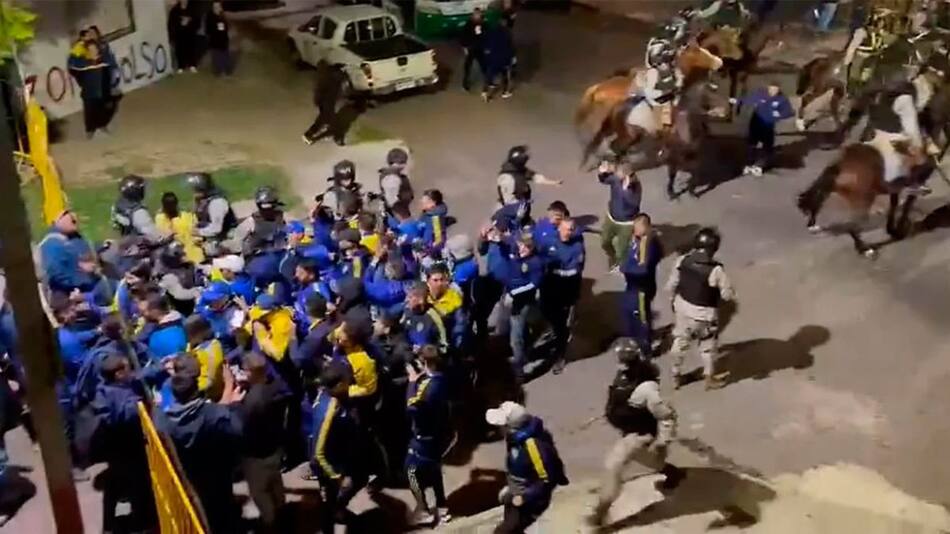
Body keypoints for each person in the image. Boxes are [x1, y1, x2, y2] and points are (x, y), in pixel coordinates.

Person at [586, 338, 682, 527]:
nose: (620, 363)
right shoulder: (626, 375)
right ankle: (672, 472)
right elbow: (620, 400)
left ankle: (600, 513)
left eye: (623, 359)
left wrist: (662, 441)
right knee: (651, 460)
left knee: (613, 466)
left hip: (639, 435)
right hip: (631, 431)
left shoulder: (647, 388)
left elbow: (666, 416)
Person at [157, 357, 245, 533]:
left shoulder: (163, 420)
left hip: (190, 473)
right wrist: (234, 406)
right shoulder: (213, 414)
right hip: (217, 471)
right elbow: (237, 431)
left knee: (204, 511)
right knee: (223, 511)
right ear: (196, 389)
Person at [91, 354, 157, 532]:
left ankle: (110, 525)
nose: (131, 373)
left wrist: (159, 368)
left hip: (116, 450)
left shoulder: (104, 388)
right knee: (138, 486)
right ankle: (142, 524)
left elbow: (138, 375)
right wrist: (140, 405)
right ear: (119, 374)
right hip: (127, 448)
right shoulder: (117, 397)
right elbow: (121, 415)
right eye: (127, 369)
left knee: (115, 485)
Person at [666, 228, 735, 390]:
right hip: (704, 315)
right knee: (707, 346)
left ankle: (676, 375)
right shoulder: (716, 270)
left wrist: (674, 302)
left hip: (682, 310)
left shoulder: (682, 260)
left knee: (680, 342)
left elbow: (671, 285)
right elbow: (727, 295)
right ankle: (708, 377)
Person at [485, 401, 568, 534]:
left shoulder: (533, 447)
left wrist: (525, 497)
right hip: (516, 492)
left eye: (501, 425)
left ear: (510, 427)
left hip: (529, 501)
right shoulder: (514, 439)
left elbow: (546, 479)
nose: (497, 429)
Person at [309, 362, 369, 534]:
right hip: (330, 466)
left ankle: (337, 507)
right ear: (338, 385)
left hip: (343, 453)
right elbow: (318, 453)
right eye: (347, 380)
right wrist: (337, 477)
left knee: (360, 478)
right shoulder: (328, 412)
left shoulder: (336, 396)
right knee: (329, 503)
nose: (350, 382)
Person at [238, 352, 290, 533]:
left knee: (260, 492)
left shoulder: (252, 400)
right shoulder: (275, 386)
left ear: (250, 372)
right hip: (275, 447)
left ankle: (270, 524)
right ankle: (283, 515)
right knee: (276, 484)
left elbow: (243, 428)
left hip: (256, 454)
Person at [405, 345, 452, 526]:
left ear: (424, 362)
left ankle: (423, 510)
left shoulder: (427, 387)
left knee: (411, 471)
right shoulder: (443, 379)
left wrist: (411, 381)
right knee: (434, 468)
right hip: (440, 433)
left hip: (424, 436)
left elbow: (411, 408)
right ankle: (442, 506)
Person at [540, 217, 584, 374]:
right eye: (566, 229)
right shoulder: (548, 242)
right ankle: (552, 330)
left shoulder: (577, 247)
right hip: (549, 289)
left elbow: (574, 270)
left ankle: (560, 355)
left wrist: (554, 269)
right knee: (547, 314)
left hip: (566, 293)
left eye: (571, 229)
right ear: (559, 228)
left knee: (561, 327)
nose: (568, 232)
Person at [620, 214, 662, 359]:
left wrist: (625, 268)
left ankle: (645, 348)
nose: (635, 229)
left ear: (646, 227)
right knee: (627, 311)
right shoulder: (636, 239)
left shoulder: (650, 245)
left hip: (642, 288)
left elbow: (643, 269)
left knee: (641, 317)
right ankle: (634, 337)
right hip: (632, 286)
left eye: (638, 227)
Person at [733, 81, 795, 177]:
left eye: (776, 90)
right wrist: (736, 101)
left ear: (779, 90)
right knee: (751, 145)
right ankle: (749, 164)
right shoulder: (760, 94)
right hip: (756, 123)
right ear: (768, 88)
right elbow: (748, 100)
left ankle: (759, 166)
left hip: (768, 125)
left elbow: (790, 112)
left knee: (767, 147)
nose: (774, 91)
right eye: (772, 89)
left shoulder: (782, 99)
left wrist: (780, 114)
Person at [233, 186, 288, 290]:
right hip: (258, 259)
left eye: (270, 208)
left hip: (280, 256)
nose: (267, 212)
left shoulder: (283, 217)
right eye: (264, 209)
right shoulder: (251, 222)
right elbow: (237, 242)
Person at [38, 210, 101, 297]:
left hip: (89, 289)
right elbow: (55, 273)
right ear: (57, 220)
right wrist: (82, 273)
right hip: (71, 298)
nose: (75, 218)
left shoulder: (71, 239)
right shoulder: (52, 242)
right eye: (70, 216)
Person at [597, 160, 642, 272]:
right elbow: (604, 180)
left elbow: (633, 203)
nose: (615, 173)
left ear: (626, 175)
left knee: (622, 250)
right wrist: (601, 173)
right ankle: (614, 257)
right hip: (611, 218)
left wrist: (625, 191)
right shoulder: (617, 179)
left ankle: (622, 265)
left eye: (618, 171)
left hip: (626, 223)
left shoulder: (636, 187)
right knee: (605, 242)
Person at [627, 41, 678, 134]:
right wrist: (669, 94)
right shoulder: (653, 73)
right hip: (650, 102)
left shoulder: (670, 71)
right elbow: (651, 95)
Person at [67, 40, 113, 138]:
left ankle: (102, 125)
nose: (93, 51)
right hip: (88, 93)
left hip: (101, 91)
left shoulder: (102, 60)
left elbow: (109, 60)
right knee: (89, 113)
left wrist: (104, 48)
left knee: (102, 110)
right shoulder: (83, 63)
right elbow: (71, 64)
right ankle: (90, 130)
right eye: (90, 49)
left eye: (94, 49)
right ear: (87, 51)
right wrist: (74, 51)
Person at [496, 145, 561, 211]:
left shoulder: (521, 170)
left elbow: (536, 177)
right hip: (506, 210)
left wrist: (553, 182)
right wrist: (520, 206)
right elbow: (508, 200)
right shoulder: (506, 176)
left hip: (519, 208)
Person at [188, 172, 238, 257]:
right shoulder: (202, 200)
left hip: (226, 238)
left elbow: (216, 229)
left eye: (195, 189)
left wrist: (198, 232)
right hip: (213, 236)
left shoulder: (217, 203)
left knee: (207, 250)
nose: (192, 191)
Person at [304, 61, 347, 146]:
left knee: (328, 93)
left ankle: (335, 73)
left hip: (325, 102)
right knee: (329, 94)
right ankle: (335, 73)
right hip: (326, 103)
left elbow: (325, 129)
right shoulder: (331, 125)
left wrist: (314, 137)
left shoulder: (330, 125)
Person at [156, 191, 205, 264]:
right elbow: (197, 232)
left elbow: (162, 238)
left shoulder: (160, 218)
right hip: (197, 257)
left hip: (179, 261)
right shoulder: (187, 215)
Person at [483, 23, 516, 101]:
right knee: (505, 76)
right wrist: (512, 58)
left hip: (493, 59)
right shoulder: (507, 35)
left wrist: (488, 56)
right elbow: (510, 48)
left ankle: (484, 91)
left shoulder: (491, 33)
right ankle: (504, 92)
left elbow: (487, 46)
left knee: (489, 75)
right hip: (503, 60)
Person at [460, 9, 488, 92]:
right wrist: (464, 47)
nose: (477, 16)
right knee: (468, 66)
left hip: (480, 48)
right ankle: (465, 84)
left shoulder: (483, 24)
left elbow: (486, 36)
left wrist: (486, 47)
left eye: (478, 15)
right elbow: (463, 36)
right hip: (471, 48)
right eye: (476, 15)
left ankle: (488, 80)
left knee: (484, 65)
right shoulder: (468, 25)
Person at [168, 0, 200, 73]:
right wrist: (175, 30)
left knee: (191, 49)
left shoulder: (192, 9)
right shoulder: (175, 10)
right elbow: (171, 23)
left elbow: (197, 20)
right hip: (179, 34)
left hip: (190, 33)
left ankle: (192, 65)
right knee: (180, 50)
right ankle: (181, 66)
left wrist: (190, 23)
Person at [379, 147, 414, 212]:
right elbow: (392, 201)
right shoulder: (392, 178)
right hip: (397, 215)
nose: (405, 165)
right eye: (404, 162)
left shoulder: (396, 175)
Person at [206, 2, 233, 76]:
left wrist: (225, 32)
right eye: (215, 7)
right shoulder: (210, 16)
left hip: (223, 40)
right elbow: (208, 29)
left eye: (218, 7)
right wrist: (216, 30)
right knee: (217, 56)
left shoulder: (222, 16)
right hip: (215, 40)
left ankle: (225, 70)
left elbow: (226, 27)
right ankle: (219, 71)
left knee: (225, 55)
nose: (216, 9)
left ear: (221, 8)